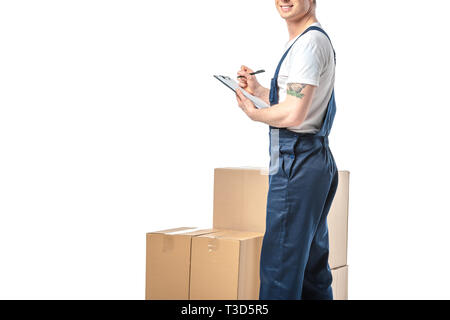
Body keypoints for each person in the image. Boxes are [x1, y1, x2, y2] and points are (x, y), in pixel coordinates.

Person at [235, 0, 338, 300]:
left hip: (298, 165)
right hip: (313, 160)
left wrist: (253, 113)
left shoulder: (308, 44)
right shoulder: (308, 40)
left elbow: (293, 115)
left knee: (279, 274)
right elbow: (295, 101)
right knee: (311, 272)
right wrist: (258, 92)